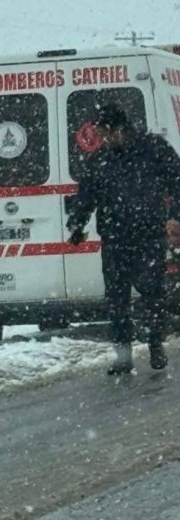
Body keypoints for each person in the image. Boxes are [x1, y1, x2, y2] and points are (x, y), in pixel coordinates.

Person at [67, 103, 180, 375]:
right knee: (116, 299)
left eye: (105, 133)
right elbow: (86, 197)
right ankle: (122, 355)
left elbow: (177, 180)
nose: (102, 140)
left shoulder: (153, 149)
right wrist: (76, 224)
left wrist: (175, 215)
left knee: (153, 294)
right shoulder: (100, 160)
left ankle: (155, 345)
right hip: (115, 239)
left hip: (148, 235)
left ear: (118, 129)